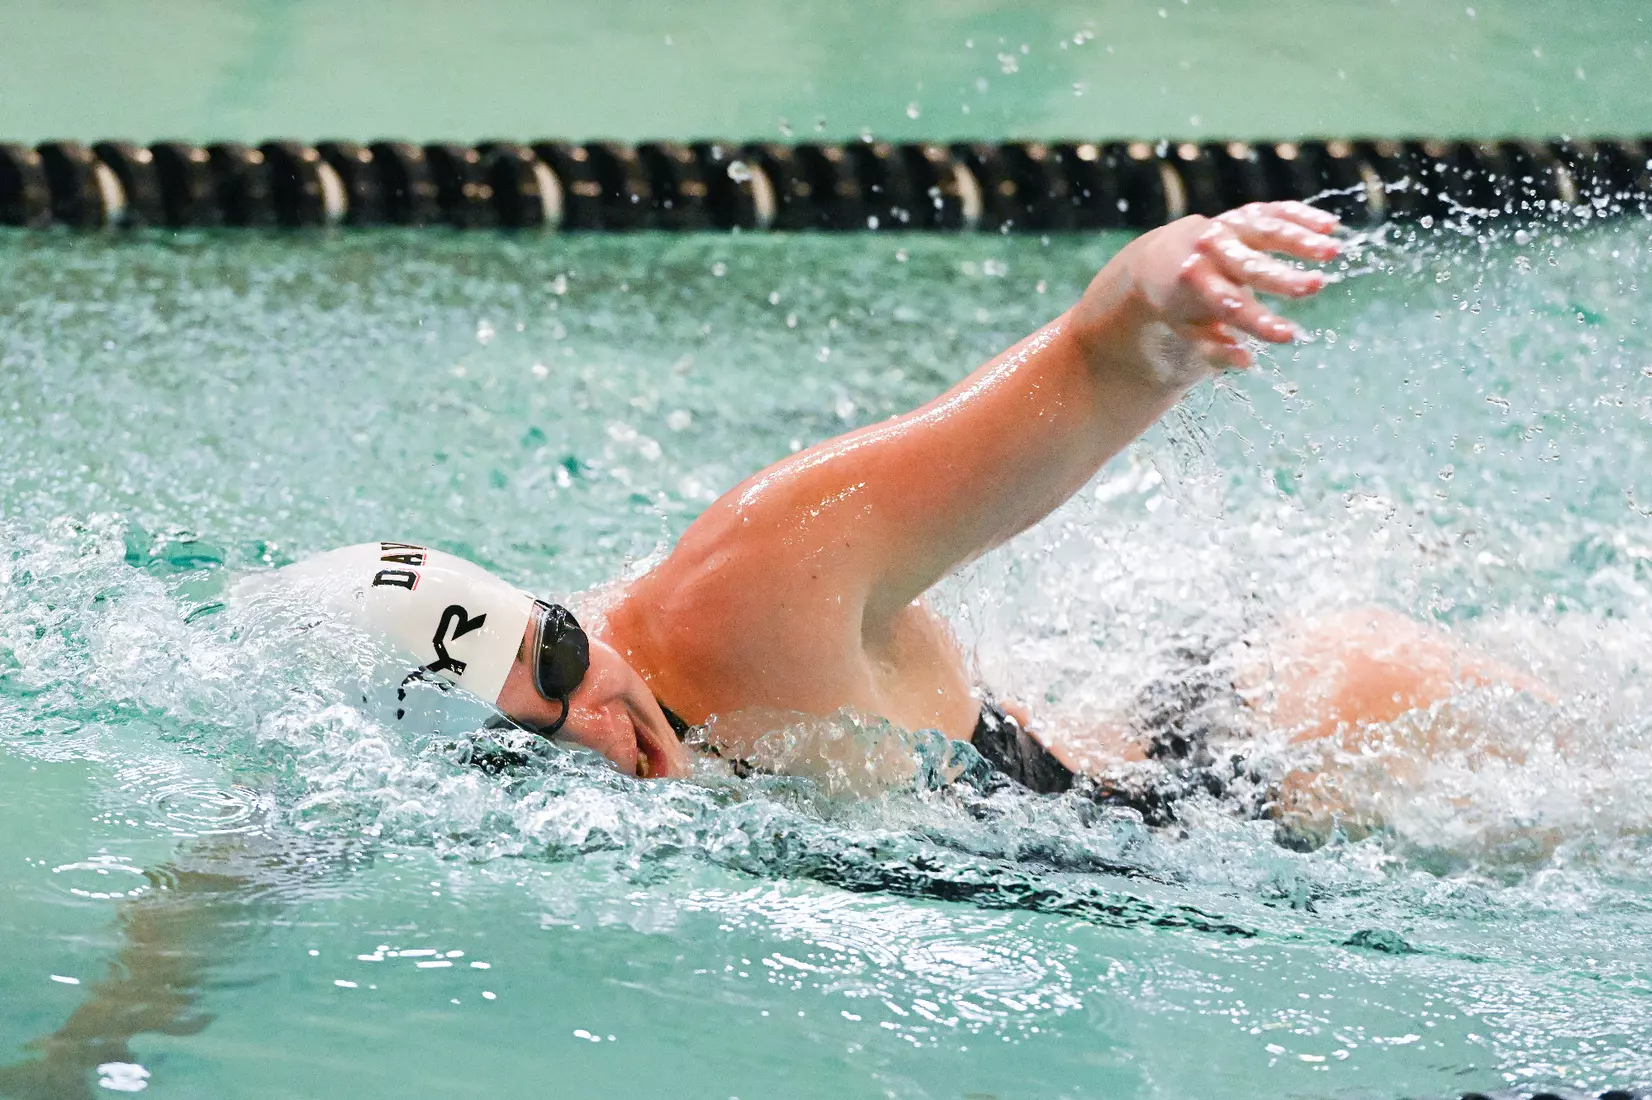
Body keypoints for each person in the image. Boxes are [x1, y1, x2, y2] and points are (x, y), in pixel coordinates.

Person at [254, 200, 1550, 835]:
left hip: (1266, 747)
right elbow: (233, 879)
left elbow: (1090, 364)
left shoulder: (743, 590)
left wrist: (1163, 293)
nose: (592, 711)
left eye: (554, 649)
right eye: (526, 732)